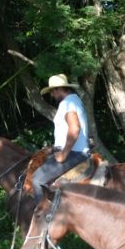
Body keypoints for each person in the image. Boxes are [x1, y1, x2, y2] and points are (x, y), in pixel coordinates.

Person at [31, 74, 92, 204]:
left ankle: (44, 219)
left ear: (58, 89)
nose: (52, 95)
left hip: (74, 153)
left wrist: (63, 154)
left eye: (52, 91)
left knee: (37, 179)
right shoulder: (74, 100)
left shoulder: (67, 103)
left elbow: (74, 128)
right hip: (75, 151)